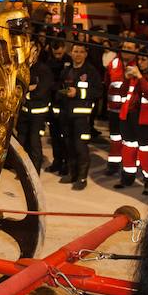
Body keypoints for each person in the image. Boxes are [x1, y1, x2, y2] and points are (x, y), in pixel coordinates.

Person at [115, 51, 148, 195]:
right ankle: (127, 177)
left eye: (144, 59)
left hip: (147, 119)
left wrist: (139, 77)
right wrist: (126, 79)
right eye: (138, 59)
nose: (140, 62)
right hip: (128, 116)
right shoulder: (133, 74)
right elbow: (122, 92)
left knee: (147, 152)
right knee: (128, 148)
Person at [57, 42, 102, 190]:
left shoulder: (91, 72)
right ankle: (72, 174)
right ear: (71, 53)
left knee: (80, 147)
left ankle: (82, 178)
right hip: (66, 116)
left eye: (81, 52)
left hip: (81, 118)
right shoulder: (67, 70)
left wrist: (78, 93)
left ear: (85, 54)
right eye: (75, 51)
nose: (78, 54)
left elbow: (98, 92)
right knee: (69, 146)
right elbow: (60, 89)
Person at [17, 40, 54, 172]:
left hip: (38, 114)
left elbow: (41, 91)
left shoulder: (43, 70)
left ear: (37, 53)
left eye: (33, 51)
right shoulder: (24, 68)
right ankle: (23, 170)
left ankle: (34, 171)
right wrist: (28, 89)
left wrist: (26, 91)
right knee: (22, 142)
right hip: (25, 112)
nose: (30, 53)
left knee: (34, 143)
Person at [104, 40, 137, 175]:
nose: (126, 49)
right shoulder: (114, 63)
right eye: (124, 47)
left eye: (130, 47)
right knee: (115, 138)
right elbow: (107, 82)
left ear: (135, 50)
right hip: (114, 109)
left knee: (129, 141)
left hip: (130, 111)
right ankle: (113, 165)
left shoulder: (137, 65)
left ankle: (129, 167)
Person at [45, 41, 72, 175]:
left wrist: (57, 89)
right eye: (55, 53)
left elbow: (66, 85)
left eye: (59, 53)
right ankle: (57, 162)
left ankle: (66, 165)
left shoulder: (70, 63)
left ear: (65, 48)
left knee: (65, 139)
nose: (57, 55)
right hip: (53, 106)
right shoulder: (49, 63)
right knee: (55, 137)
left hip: (65, 106)